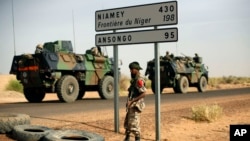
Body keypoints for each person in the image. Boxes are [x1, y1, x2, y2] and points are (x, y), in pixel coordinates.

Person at [124, 61, 147, 141]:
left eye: (132, 69)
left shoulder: (139, 80)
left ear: (136, 70)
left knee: (134, 124)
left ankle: (137, 139)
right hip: (131, 104)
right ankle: (127, 138)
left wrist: (132, 101)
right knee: (127, 123)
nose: (130, 71)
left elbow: (143, 93)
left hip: (136, 105)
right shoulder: (134, 79)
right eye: (130, 69)